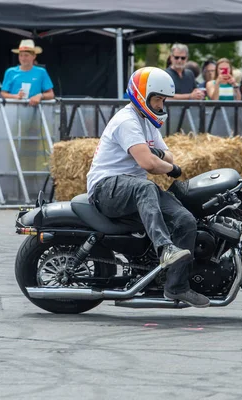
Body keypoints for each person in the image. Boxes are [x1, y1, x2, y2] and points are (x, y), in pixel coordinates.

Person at [86, 67, 210, 308]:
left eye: (163, 100)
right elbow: (149, 163)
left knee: (185, 219)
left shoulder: (147, 122)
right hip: (106, 187)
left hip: (131, 188)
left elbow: (168, 155)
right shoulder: (126, 120)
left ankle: (176, 286)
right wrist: (167, 166)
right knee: (146, 188)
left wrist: (159, 156)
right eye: (157, 99)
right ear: (142, 95)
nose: (161, 105)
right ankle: (165, 249)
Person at [1, 40, 55, 106]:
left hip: (35, 111)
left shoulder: (41, 72)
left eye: (26, 55)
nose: (23, 58)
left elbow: (51, 94)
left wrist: (40, 96)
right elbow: (3, 94)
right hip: (13, 110)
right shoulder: (10, 72)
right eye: (21, 55)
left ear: (34, 56)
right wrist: (15, 96)